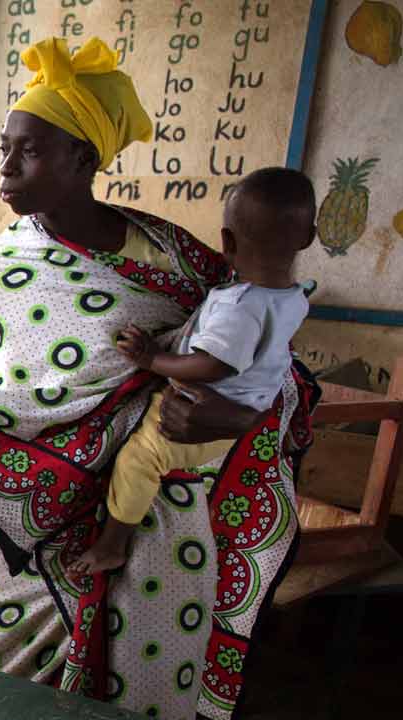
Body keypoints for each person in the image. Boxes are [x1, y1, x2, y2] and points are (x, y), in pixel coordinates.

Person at [0, 38, 315, 720]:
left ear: (83, 160)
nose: (5, 167)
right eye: (4, 148)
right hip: (46, 533)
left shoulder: (178, 253)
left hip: (167, 524)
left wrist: (222, 420)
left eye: (27, 151)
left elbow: (271, 364)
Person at [69, 168, 316, 577]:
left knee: (139, 459)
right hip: (244, 409)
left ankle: (113, 544)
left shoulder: (241, 306)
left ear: (227, 241)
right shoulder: (292, 297)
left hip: (207, 413)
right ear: (307, 238)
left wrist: (150, 358)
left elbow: (211, 365)